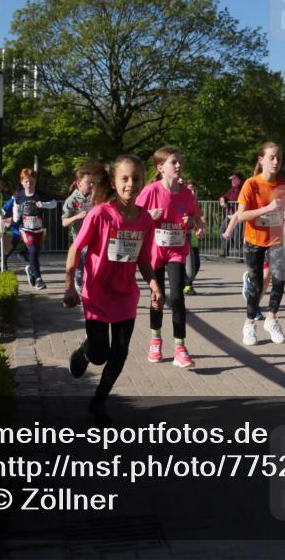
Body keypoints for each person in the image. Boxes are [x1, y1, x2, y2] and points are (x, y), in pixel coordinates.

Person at [63, 154, 163, 426]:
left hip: (125, 295)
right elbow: (76, 248)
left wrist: (154, 285)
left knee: (119, 352)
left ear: (143, 182)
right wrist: (69, 286)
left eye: (136, 179)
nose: (131, 184)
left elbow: (143, 259)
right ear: (115, 182)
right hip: (96, 292)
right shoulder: (100, 214)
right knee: (99, 354)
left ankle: (98, 402)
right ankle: (85, 352)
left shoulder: (145, 220)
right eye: (125, 178)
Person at [136, 147, 204, 369]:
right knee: (158, 297)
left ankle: (180, 348)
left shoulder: (187, 194)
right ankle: (155, 341)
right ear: (160, 168)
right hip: (154, 251)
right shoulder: (151, 191)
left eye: (179, 162)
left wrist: (192, 222)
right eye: (173, 162)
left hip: (176, 249)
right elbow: (133, 217)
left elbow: (195, 218)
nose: (178, 166)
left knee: (177, 297)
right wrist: (148, 216)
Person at [237, 141, 285, 345]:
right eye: (272, 157)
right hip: (254, 240)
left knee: (279, 280)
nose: (276, 161)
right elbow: (241, 216)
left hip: (276, 240)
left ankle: (271, 319)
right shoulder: (251, 184)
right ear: (261, 160)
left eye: (279, 158)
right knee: (257, 284)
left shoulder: (284, 185)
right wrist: (267, 209)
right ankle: (249, 324)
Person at [5, 168, 57, 290]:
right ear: (22, 182)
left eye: (32, 182)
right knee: (32, 250)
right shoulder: (19, 195)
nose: (29, 184)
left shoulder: (39, 194)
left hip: (38, 229)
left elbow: (54, 203)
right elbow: (16, 209)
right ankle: (39, 279)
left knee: (35, 255)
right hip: (25, 229)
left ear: (35, 181)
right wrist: (14, 220)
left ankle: (30, 269)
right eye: (26, 181)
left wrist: (43, 204)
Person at [62, 162, 103, 294]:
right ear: (79, 183)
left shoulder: (95, 197)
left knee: (95, 261)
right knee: (83, 260)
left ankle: (91, 284)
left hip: (96, 236)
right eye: (88, 182)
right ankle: (79, 283)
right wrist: (77, 216)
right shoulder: (72, 200)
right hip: (80, 237)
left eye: (92, 183)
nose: (91, 185)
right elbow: (64, 222)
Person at [183, 180, 202, 295]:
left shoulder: (196, 203)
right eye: (190, 189)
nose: (193, 191)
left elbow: (200, 219)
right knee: (188, 264)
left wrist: (201, 228)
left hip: (194, 238)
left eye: (195, 190)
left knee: (197, 263)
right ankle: (187, 285)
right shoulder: (183, 202)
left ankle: (187, 283)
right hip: (184, 237)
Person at [218, 173, 244, 258]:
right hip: (230, 215)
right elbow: (224, 196)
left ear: (239, 180)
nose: (232, 181)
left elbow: (236, 199)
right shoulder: (231, 189)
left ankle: (241, 255)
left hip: (238, 216)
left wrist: (227, 200)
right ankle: (225, 251)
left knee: (237, 237)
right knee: (222, 231)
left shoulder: (242, 189)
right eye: (232, 179)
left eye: (234, 179)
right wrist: (222, 199)